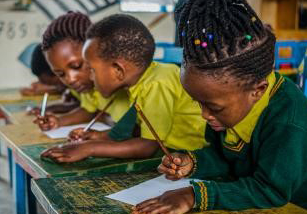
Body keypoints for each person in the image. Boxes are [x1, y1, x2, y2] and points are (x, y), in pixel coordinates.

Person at [132, 0, 307, 214]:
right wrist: (193, 162)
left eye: (213, 107)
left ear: (258, 91)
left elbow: (270, 190)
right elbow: (227, 158)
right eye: (198, 103)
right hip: (278, 199)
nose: (204, 115)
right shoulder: (228, 106)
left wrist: (195, 195)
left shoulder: (289, 123)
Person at [41, 14, 207, 163]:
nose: (90, 77)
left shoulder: (155, 84)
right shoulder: (137, 83)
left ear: (119, 70)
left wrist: (89, 148)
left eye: (92, 69)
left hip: (198, 158)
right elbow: (135, 128)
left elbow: (147, 146)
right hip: (175, 155)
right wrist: (102, 136)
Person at [34, 12, 130, 132]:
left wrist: (102, 136)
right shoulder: (89, 86)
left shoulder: (128, 82)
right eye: (60, 74)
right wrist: (58, 121)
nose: (70, 79)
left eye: (76, 66)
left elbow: (138, 133)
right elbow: (88, 110)